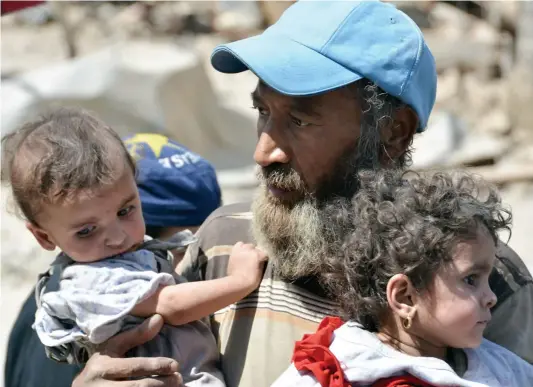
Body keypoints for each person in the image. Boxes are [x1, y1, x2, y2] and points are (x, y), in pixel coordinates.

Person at [64, 1, 532, 387]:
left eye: (301, 121)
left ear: (393, 133)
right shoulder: (222, 243)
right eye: (263, 112)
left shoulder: (476, 277)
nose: (264, 152)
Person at [2, 108, 266, 387]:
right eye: (184, 252)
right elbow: (172, 302)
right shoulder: (91, 286)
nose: (117, 238)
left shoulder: (44, 296)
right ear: (45, 237)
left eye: (126, 211)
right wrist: (240, 281)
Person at [272, 169, 533, 387]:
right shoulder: (336, 370)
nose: (492, 298)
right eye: (471, 280)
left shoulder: (504, 372)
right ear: (404, 296)